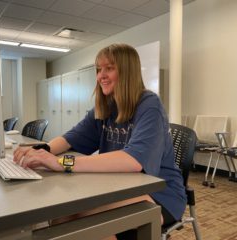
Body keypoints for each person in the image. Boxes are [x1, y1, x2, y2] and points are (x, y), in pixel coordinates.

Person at [13, 43, 186, 240]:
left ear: (127, 72)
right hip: (117, 186)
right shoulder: (105, 107)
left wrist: (62, 163)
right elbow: (71, 137)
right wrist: (41, 150)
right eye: (99, 69)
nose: (100, 75)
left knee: (86, 225)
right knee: (63, 215)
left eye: (109, 68)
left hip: (160, 192)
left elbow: (134, 160)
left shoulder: (149, 105)